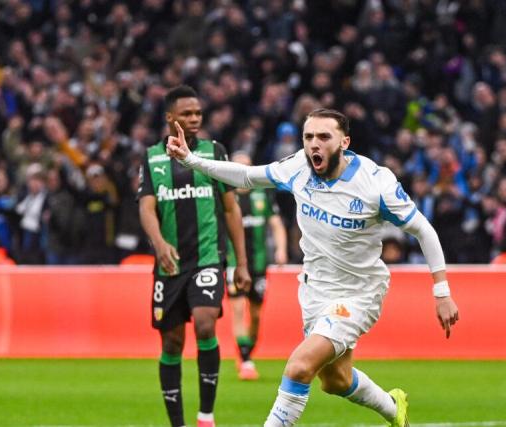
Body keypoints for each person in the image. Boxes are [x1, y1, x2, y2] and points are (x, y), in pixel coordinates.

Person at [166, 108, 459, 427]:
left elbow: (423, 230)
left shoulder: (376, 184)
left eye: (324, 137)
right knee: (335, 380)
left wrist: (441, 292)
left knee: (299, 366)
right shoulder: (298, 168)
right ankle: (392, 407)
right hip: (315, 291)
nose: (314, 145)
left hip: (358, 294)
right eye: (308, 137)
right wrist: (191, 161)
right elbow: (248, 176)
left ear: (344, 142)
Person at [138, 85, 251, 427]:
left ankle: (206, 416)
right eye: (187, 113)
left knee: (205, 324)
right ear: (170, 117)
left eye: (198, 113)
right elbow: (146, 206)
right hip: (169, 265)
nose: (194, 118)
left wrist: (241, 263)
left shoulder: (215, 152)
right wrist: (159, 242)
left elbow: (231, 209)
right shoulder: (153, 157)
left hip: (207, 259)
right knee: (172, 341)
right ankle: (178, 423)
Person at [225, 151, 288, 381]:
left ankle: (246, 352)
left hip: (259, 265)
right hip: (234, 264)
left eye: (247, 167)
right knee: (238, 309)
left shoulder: (262, 195)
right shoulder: (226, 195)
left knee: (256, 315)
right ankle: (245, 359)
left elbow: (276, 224)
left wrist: (281, 249)